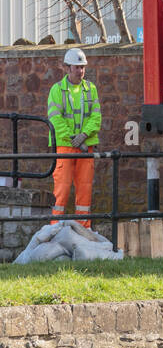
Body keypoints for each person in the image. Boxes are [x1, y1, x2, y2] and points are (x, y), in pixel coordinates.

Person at [47, 48, 102, 229]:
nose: (81, 71)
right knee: (61, 191)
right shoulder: (57, 90)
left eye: (83, 67)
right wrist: (73, 138)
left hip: (85, 146)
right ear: (67, 68)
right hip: (65, 146)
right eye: (77, 67)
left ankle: (84, 231)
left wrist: (84, 135)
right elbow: (55, 118)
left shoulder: (90, 89)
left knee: (84, 192)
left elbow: (96, 117)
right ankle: (54, 229)